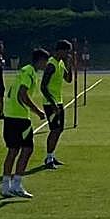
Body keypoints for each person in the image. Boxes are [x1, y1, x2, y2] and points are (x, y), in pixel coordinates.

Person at [1, 48, 49, 198]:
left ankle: (5, 186)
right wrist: (38, 111)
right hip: (20, 117)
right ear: (40, 60)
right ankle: (16, 184)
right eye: (45, 61)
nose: (45, 64)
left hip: (10, 115)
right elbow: (23, 93)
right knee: (27, 149)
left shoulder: (25, 71)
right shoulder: (29, 73)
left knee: (13, 150)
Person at [40, 40, 75, 169]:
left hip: (59, 101)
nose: (68, 54)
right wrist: (52, 103)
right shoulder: (51, 65)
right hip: (50, 103)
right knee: (54, 130)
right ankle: (48, 158)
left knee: (59, 130)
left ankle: (52, 155)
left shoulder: (60, 63)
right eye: (67, 52)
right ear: (60, 50)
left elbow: (68, 79)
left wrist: (69, 64)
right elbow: (43, 86)